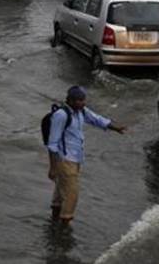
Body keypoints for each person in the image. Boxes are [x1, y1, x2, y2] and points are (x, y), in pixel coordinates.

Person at [47, 86, 127, 225]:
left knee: (61, 190)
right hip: (65, 160)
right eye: (80, 100)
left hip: (75, 158)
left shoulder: (80, 111)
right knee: (72, 194)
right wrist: (53, 168)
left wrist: (115, 128)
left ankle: (54, 221)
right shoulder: (61, 115)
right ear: (70, 100)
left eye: (84, 100)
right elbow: (52, 144)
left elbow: (97, 119)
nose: (83, 103)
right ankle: (64, 227)